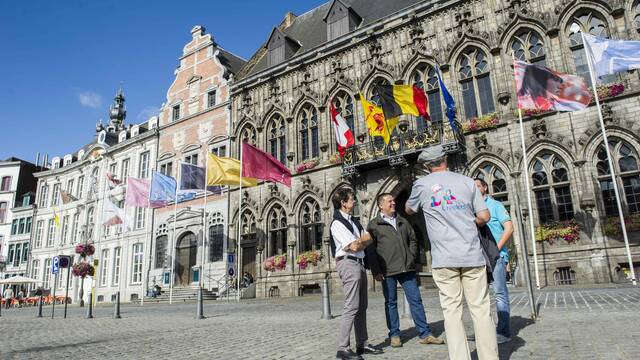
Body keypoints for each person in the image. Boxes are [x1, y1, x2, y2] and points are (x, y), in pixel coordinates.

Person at [406, 145, 499, 360]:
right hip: (472, 255)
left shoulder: (421, 185)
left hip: (444, 259)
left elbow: (409, 209)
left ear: (426, 166)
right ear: (445, 159)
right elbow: (484, 216)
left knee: (452, 312)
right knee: (481, 309)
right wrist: (467, 220)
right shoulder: (467, 182)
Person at [367, 193, 445, 348]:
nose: (393, 203)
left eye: (394, 200)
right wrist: (376, 270)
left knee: (416, 301)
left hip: (407, 268)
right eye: (390, 201)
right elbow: (370, 249)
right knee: (391, 303)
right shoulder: (374, 224)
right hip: (387, 270)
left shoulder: (402, 220)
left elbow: (413, 239)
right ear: (381, 205)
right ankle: (395, 334)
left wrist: (411, 257)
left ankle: (425, 333)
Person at [330, 187, 380, 360]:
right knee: (351, 306)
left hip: (359, 264)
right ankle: (342, 347)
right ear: (343, 203)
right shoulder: (337, 223)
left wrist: (363, 240)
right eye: (352, 199)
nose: (355, 202)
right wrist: (364, 240)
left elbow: (364, 240)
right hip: (348, 263)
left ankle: (362, 343)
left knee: (362, 306)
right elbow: (356, 246)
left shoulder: (354, 221)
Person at [474, 178, 514, 344]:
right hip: (477, 257)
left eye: (477, 186)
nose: (475, 189)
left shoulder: (496, 205)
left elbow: (509, 228)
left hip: (496, 256)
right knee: (478, 296)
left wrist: (496, 248)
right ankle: (485, 332)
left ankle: (503, 331)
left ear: (484, 188)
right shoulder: (471, 208)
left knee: (499, 293)